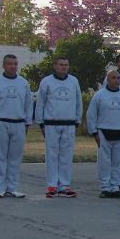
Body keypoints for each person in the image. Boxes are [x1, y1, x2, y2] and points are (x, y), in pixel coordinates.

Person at [35, 56, 82, 198]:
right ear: (55, 66)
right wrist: (41, 123)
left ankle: (64, 186)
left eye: (66, 65)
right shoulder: (47, 81)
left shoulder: (73, 81)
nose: (64, 67)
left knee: (66, 156)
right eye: (61, 64)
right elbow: (40, 103)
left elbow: (78, 102)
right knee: (52, 155)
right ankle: (52, 185)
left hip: (69, 123)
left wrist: (77, 121)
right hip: (51, 123)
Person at [0, 54, 33, 198]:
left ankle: (12, 188)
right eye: (9, 64)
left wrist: (27, 123)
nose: (13, 66)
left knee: (15, 158)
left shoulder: (23, 83)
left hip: (18, 123)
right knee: (0, 157)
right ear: (4, 65)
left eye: (15, 64)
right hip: (0, 122)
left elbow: (28, 105)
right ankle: (0, 188)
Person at [87, 70, 120, 198]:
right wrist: (94, 132)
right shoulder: (99, 96)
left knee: (118, 162)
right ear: (107, 80)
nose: (116, 80)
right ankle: (105, 187)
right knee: (104, 162)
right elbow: (91, 115)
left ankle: (115, 187)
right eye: (113, 78)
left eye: (118, 78)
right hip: (103, 132)